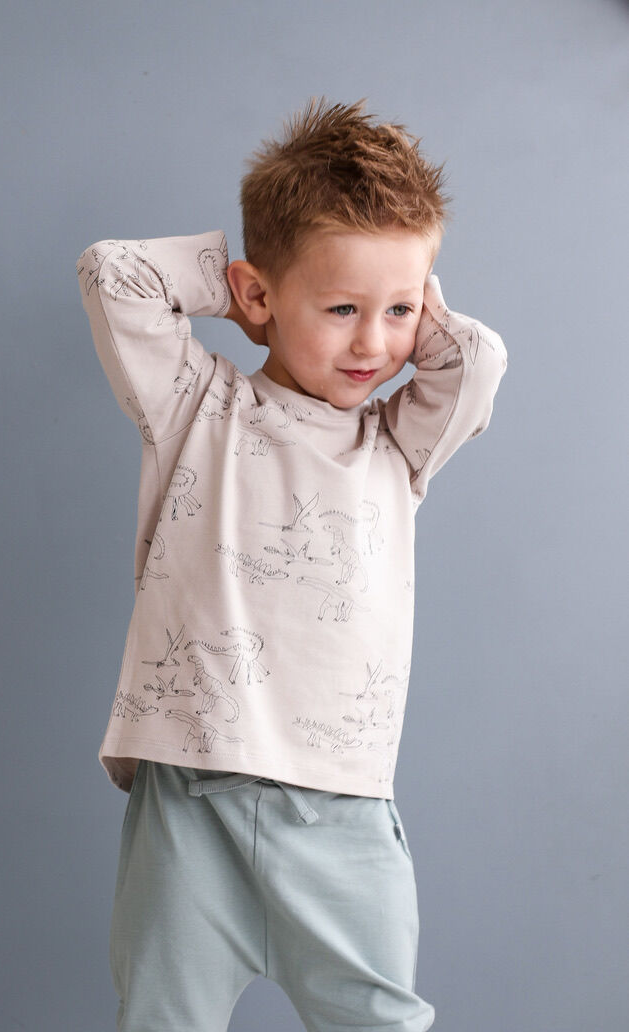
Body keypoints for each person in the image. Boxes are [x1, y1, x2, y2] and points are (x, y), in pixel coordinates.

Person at [75, 96, 507, 1032]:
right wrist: (239, 288)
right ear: (261, 294)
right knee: (161, 1017)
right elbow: (114, 273)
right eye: (344, 308)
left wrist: (414, 298)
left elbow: (475, 365)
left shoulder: (396, 445)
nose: (373, 342)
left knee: (380, 1019)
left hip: (341, 814)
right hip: (190, 804)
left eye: (398, 313)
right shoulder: (197, 404)